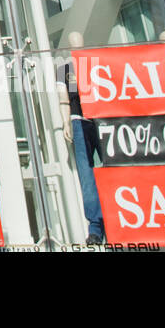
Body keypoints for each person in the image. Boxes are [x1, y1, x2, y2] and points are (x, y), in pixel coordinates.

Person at [57, 31, 105, 246]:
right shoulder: (64, 69)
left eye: (79, 42)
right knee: (86, 175)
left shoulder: (96, 64)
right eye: (73, 43)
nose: (76, 45)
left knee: (112, 169)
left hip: (101, 119)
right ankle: (95, 227)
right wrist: (66, 122)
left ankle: (116, 219)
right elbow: (63, 98)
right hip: (79, 120)